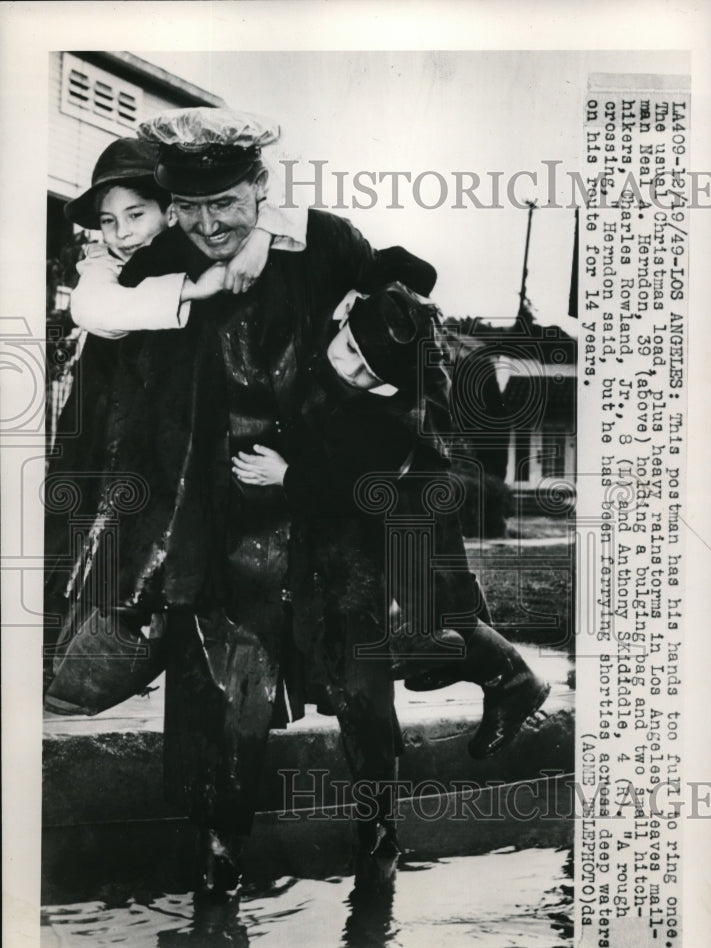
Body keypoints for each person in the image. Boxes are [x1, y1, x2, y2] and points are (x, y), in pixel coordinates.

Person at [48, 106, 442, 892]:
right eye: (189, 207)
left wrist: (343, 445)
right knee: (219, 690)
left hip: (323, 504)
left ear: (261, 189)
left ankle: (379, 835)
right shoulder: (152, 265)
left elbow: (403, 313)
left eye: (226, 203)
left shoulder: (322, 243)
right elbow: (100, 363)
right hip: (210, 517)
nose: (208, 224)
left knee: (359, 678)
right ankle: (217, 859)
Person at [231, 282, 550, 763]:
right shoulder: (334, 324)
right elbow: (407, 268)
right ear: (344, 313)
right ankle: (485, 670)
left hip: (392, 520)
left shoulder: (394, 408)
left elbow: (355, 484)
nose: (351, 370)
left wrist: (288, 476)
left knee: (410, 624)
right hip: (375, 526)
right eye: (350, 350)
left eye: (369, 373)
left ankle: (511, 678)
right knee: (389, 643)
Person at [44, 135, 307, 715]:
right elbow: (91, 307)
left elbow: (288, 212)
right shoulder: (110, 266)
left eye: (135, 214)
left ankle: (124, 647)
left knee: (164, 550)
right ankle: (77, 652)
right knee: (80, 531)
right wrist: (193, 288)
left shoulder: (196, 246)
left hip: (181, 435)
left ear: (170, 210)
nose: (121, 233)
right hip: (106, 424)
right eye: (108, 221)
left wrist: (262, 237)